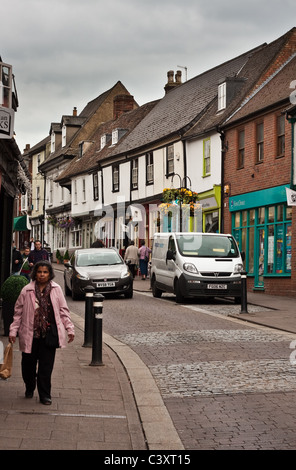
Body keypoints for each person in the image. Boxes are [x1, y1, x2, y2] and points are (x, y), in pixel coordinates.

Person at [9, 261, 75, 405]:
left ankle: (45, 394)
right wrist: (13, 331)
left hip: (48, 334)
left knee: (46, 367)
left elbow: (63, 311)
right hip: (30, 334)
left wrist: (69, 328)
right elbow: (18, 313)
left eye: (45, 272)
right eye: (39, 272)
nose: (42, 275)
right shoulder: (26, 290)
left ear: (50, 274)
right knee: (28, 366)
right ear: (35, 273)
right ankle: (29, 386)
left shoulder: (56, 289)